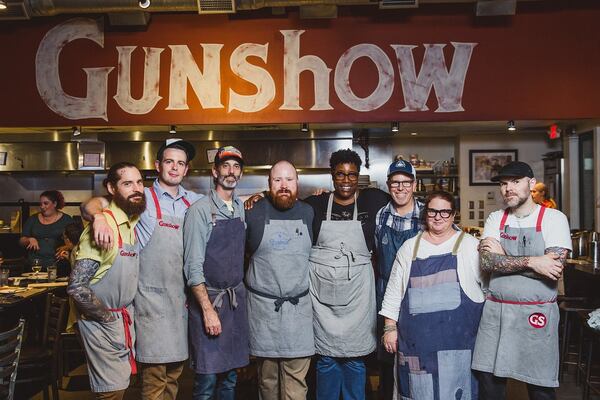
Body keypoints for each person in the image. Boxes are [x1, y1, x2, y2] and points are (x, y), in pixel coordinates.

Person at [81, 139, 202, 400]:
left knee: (174, 376)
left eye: (180, 163)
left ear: (186, 169)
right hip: (149, 303)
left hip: (178, 301)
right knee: (155, 378)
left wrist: (257, 198)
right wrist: (97, 216)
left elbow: (228, 202)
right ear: (158, 165)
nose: (174, 168)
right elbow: (95, 202)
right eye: (169, 161)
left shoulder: (195, 202)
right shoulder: (140, 196)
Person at [472, 161, 571, 400]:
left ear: (531, 183)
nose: (508, 189)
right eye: (504, 184)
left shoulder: (554, 218)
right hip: (496, 311)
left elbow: (554, 268)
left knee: (540, 386)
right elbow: (487, 263)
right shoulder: (496, 218)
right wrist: (533, 262)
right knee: (488, 379)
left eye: (515, 182)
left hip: (536, 314)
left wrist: (504, 257)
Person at [380, 190, 485, 399]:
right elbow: (393, 293)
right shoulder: (409, 248)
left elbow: (488, 291)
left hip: (459, 346)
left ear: (453, 215)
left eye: (445, 212)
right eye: (433, 211)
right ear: (425, 214)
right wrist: (390, 328)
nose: (438, 217)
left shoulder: (470, 246)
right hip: (416, 347)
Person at [304, 149, 389, 400]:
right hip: (322, 297)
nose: (346, 180)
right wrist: (259, 197)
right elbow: (284, 206)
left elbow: (404, 198)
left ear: (359, 176)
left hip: (358, 296)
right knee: (326, 359)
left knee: (355, 360)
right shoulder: (315, 204)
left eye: (352, 175)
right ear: (332, 176)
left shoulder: (374, 200)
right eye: (340, 174)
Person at [67, 162, 146, 400]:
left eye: (140, 182)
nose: (137, 189)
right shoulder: (104, 227)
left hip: (121, 319)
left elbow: (93, 204)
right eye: (127, 183)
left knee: (118, 387)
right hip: (102, 323)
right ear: (111, 188)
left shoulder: (130, 222)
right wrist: (109, 319)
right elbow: (77, 287)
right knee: (111, 392)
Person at [245, 160, 315, 400]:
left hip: (299, 315)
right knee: (267, 382)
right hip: (264, 314)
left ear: (298, 183)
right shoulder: (252, 211)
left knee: (296, 386)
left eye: (289, 179)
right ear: (268, 185)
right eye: (277, 180)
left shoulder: (309, 211)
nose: (283, 185)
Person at [183, 146, 249, 400]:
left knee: (230, 379)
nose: (230, 172)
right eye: (225, 166)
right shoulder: (200, 211)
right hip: (209, 302)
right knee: (207, 381)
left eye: (236, 167)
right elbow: (192, 267)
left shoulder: (240, 207)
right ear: (215, 171)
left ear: (240, 174)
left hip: (234, 304)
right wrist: (208, 310)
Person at [373, 159, 423, 399]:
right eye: (395, 182)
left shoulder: (428, 214)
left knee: (419, 359)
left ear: (414, 185)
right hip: (385, 296)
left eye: (406, 182)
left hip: (420, 295)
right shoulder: (380, 216)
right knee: (387, 361)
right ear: (388, 185)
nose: (400, 187)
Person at [20, 190, 73, 269]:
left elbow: (76, 242)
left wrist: (67, 247)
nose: (42, 207)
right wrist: (29, 239)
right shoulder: (32, 219)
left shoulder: (67, 220)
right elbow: (21, 241)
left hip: (58, 264)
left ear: (54, 204)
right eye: (40, 204)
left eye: (46, 203)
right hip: (35, 265)